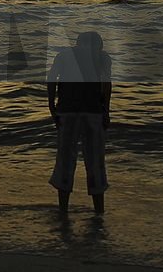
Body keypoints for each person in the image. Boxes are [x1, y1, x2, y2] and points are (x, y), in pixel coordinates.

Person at [47, 30, 112, 215]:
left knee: (65, 162)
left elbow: (51, 79)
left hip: (67, 111)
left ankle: (63, 211)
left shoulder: (63, 56)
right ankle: (99, 212)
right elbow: (106, 85)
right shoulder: (102, 57)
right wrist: (106, 111)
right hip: (93, 112)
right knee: (95, 163)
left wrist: (51, 105)